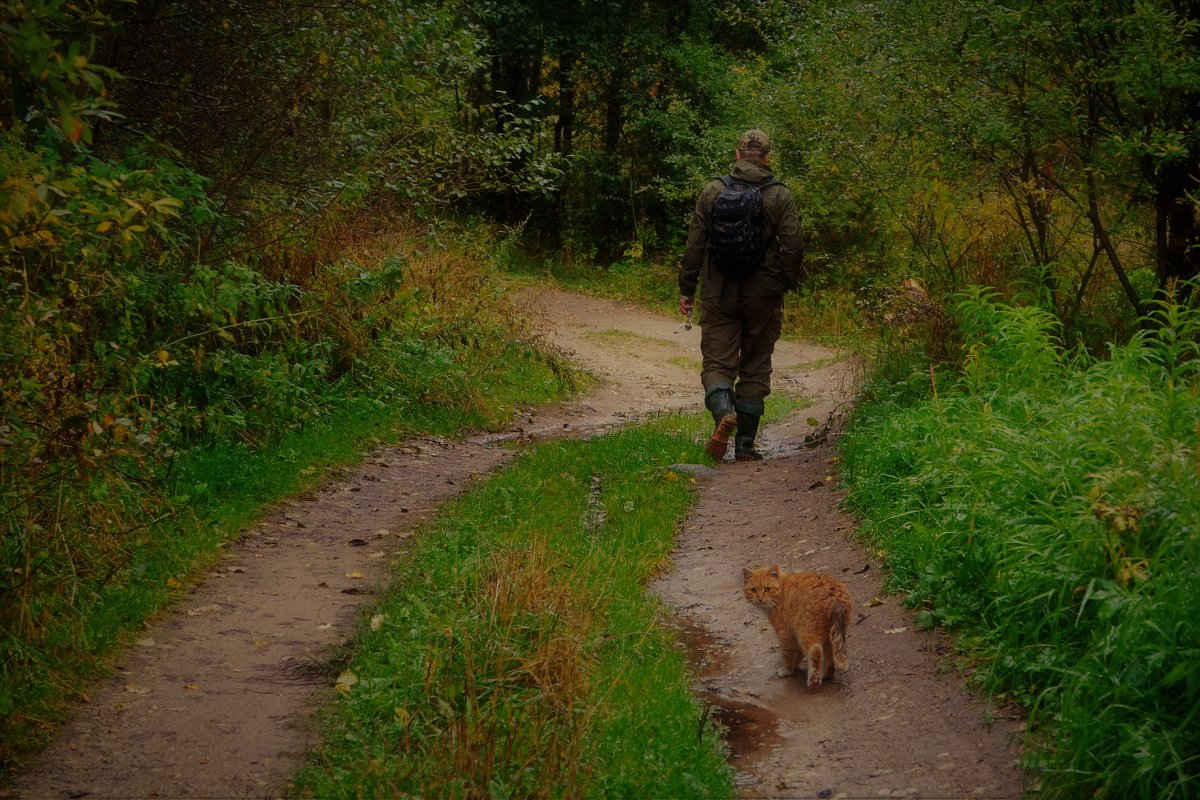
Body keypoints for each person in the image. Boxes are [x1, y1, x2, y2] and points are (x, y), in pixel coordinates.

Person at [678, 129, 804, 461]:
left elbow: (694, 245)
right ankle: (745, 445)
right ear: (767, 157)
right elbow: (792, 246)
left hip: (719, 291)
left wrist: (686, 289)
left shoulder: (713, 190)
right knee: (756, 364)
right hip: (763, 293)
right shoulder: (780, 196)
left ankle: (723, 414)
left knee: (718, 362)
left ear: (737, 155)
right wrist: (783, 284)